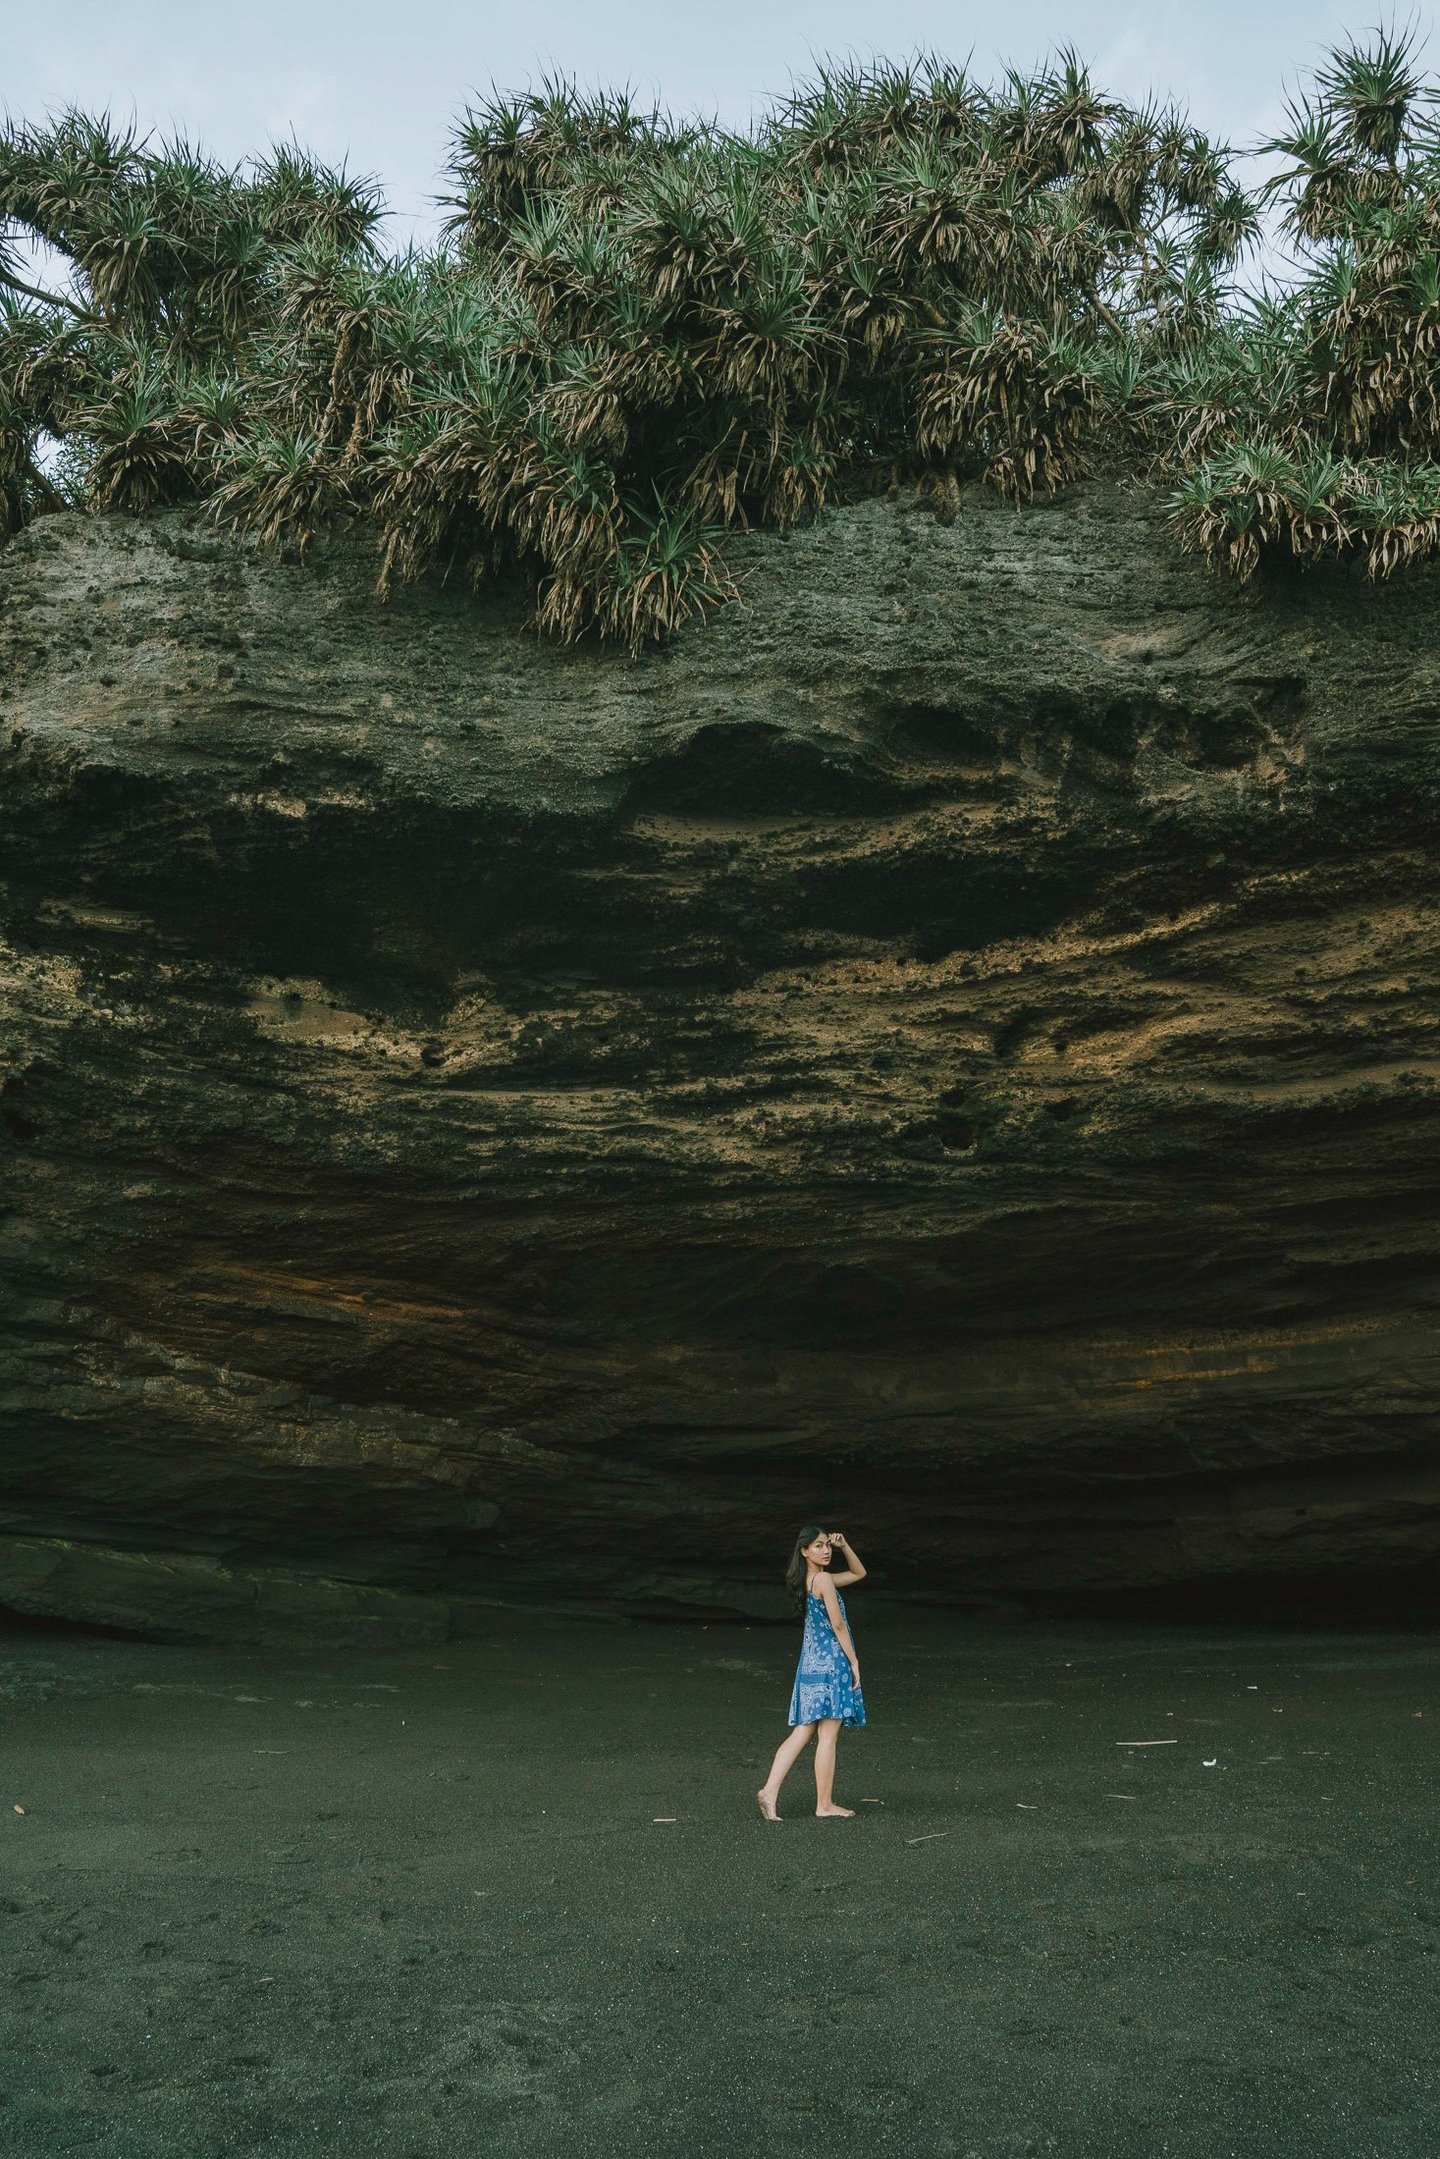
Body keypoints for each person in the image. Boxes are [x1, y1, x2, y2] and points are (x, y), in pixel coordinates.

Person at [757, 1525, 867, 1821]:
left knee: (804, 1731)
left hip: (810, 1663)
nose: (826, 1550)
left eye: (827, 1545)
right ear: (804, 1550)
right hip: (831, 1662)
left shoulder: (809, 1579)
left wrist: (845, 1546)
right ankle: (824, 1805)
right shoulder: (824, 1580)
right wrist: (854, 1661)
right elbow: (838, 1625)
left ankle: (769, 1791)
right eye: (819, 1546)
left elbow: (859, 1573)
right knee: (828, 1734)